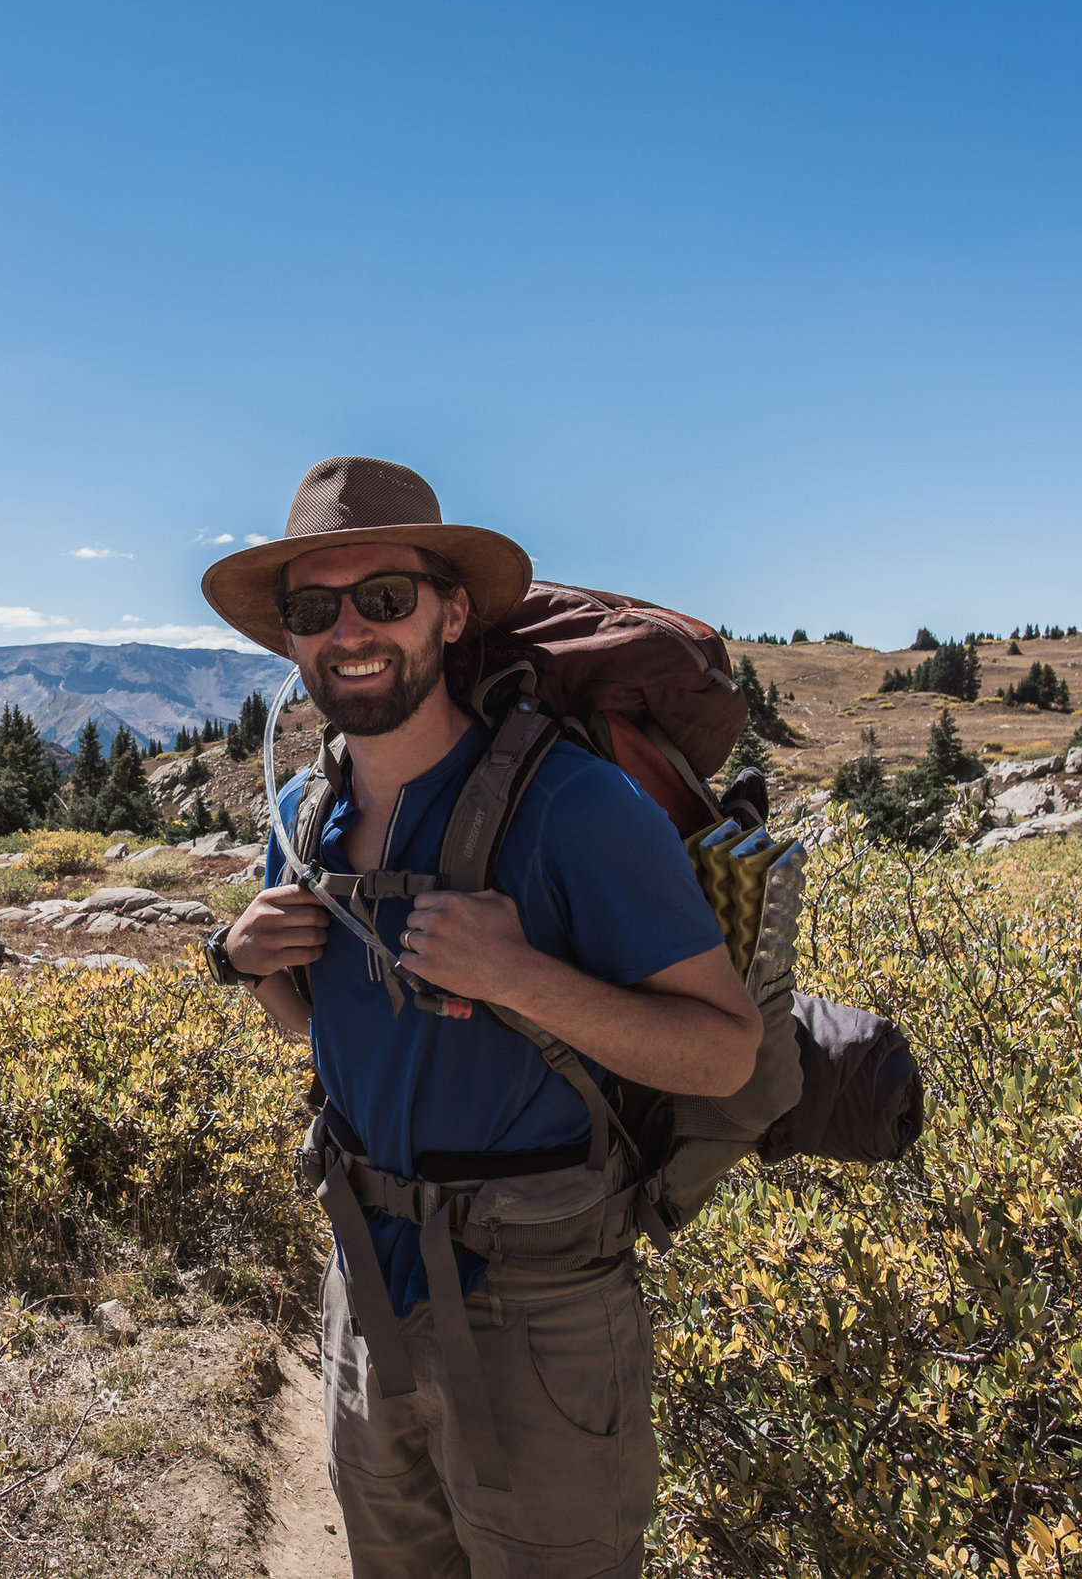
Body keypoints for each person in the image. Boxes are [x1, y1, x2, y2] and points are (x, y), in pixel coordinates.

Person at [198, 456, 761, 1579]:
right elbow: (339, 1047)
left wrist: (520, 974)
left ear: (452, 614)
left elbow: (723, 1051)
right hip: (365, 1288)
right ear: (291, 642)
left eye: (386, 598)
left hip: (539, 1308)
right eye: (315, 610)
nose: (350, 629)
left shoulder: (574, 809)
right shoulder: (305, 821)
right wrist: (254, 966)